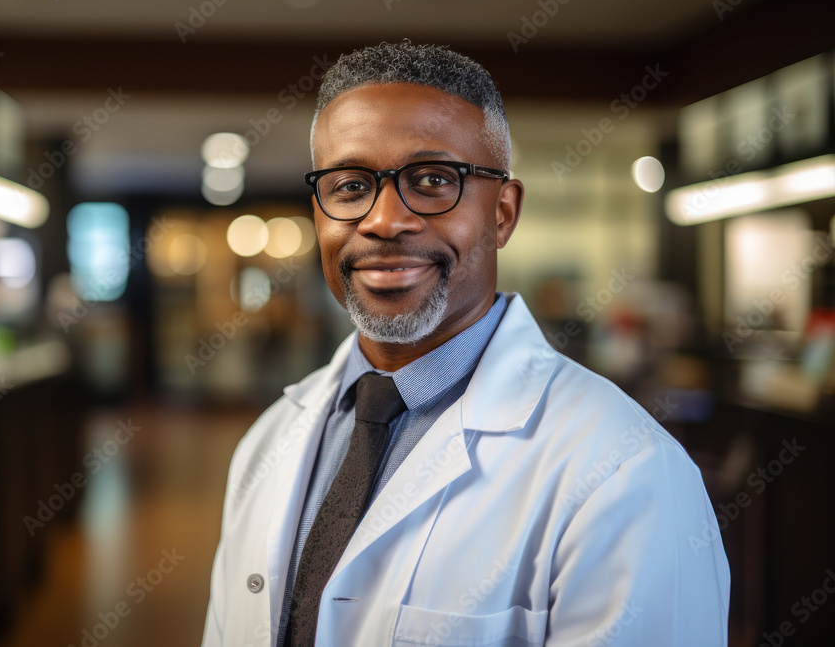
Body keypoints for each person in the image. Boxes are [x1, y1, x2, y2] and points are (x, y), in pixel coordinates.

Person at [201, 41, 729, 647]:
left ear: (503, 213)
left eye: (431, 180)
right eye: (350, 186)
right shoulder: (268, 442)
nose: (384, 220)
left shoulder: (625, 472)